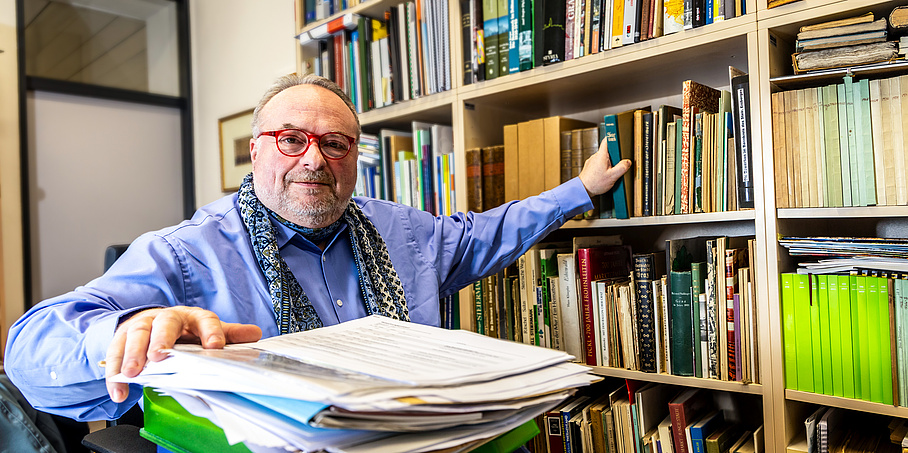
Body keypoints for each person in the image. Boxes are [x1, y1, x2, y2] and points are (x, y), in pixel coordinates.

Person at [3, 73, 630, 423]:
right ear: (256, 151)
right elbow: (31, 354)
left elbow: (494, 232)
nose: (315, 159)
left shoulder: (407, 233)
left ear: (353, 158)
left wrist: (582, 189)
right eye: (292, 138)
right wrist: (130, 332)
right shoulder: (188, 253)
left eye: (335, 144)